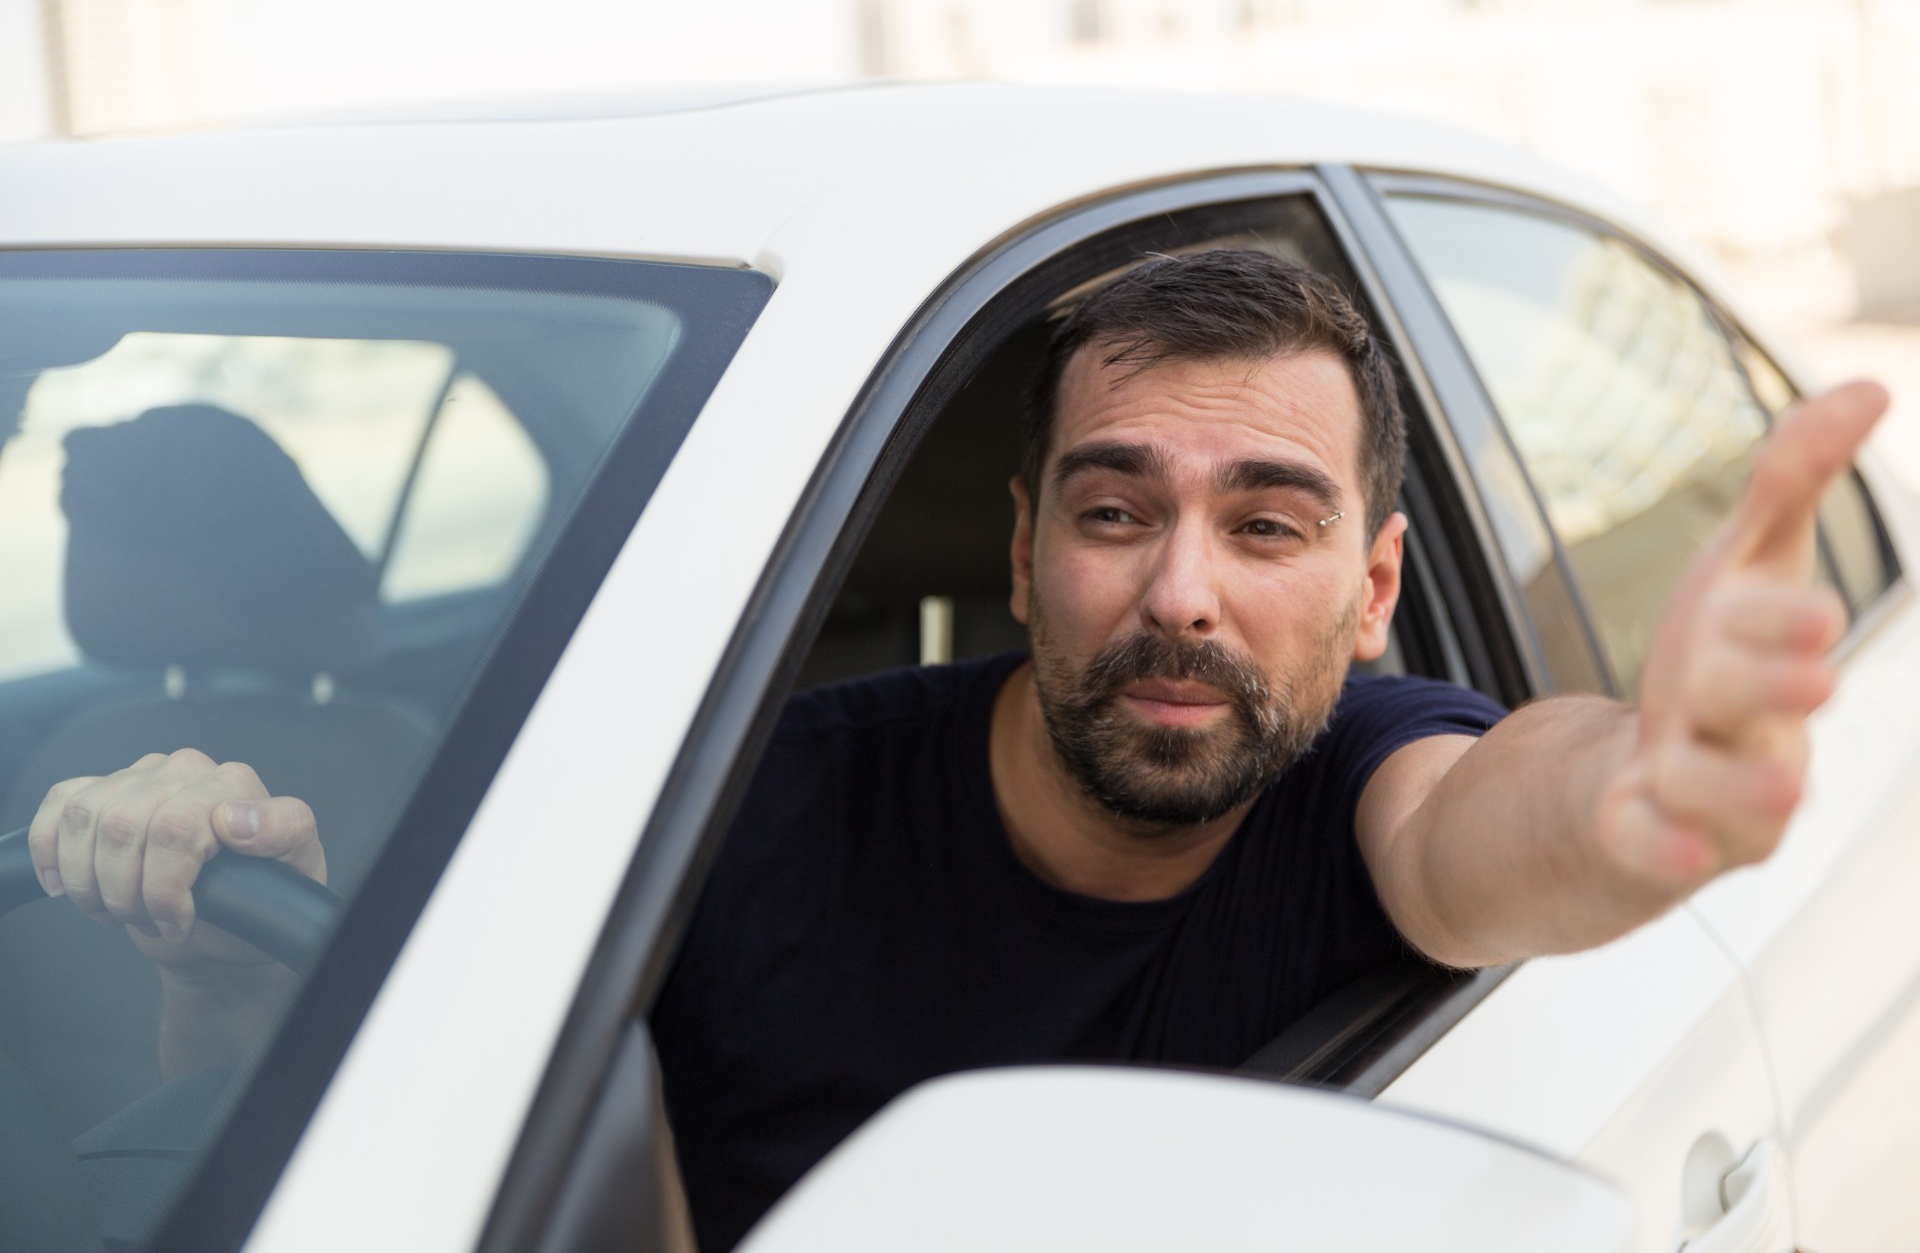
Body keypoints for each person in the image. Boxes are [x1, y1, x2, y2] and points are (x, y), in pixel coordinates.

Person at [28, 251, 1889, 1250]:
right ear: (1021, 552)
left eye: (1267, 524)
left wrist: (1637, 795)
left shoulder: (1370, 772)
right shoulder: (732, 806)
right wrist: (218, 959)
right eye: (1113, 511)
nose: (1182, 594)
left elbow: (1491, 823)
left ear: (1376, 590)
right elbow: (473, 1144)